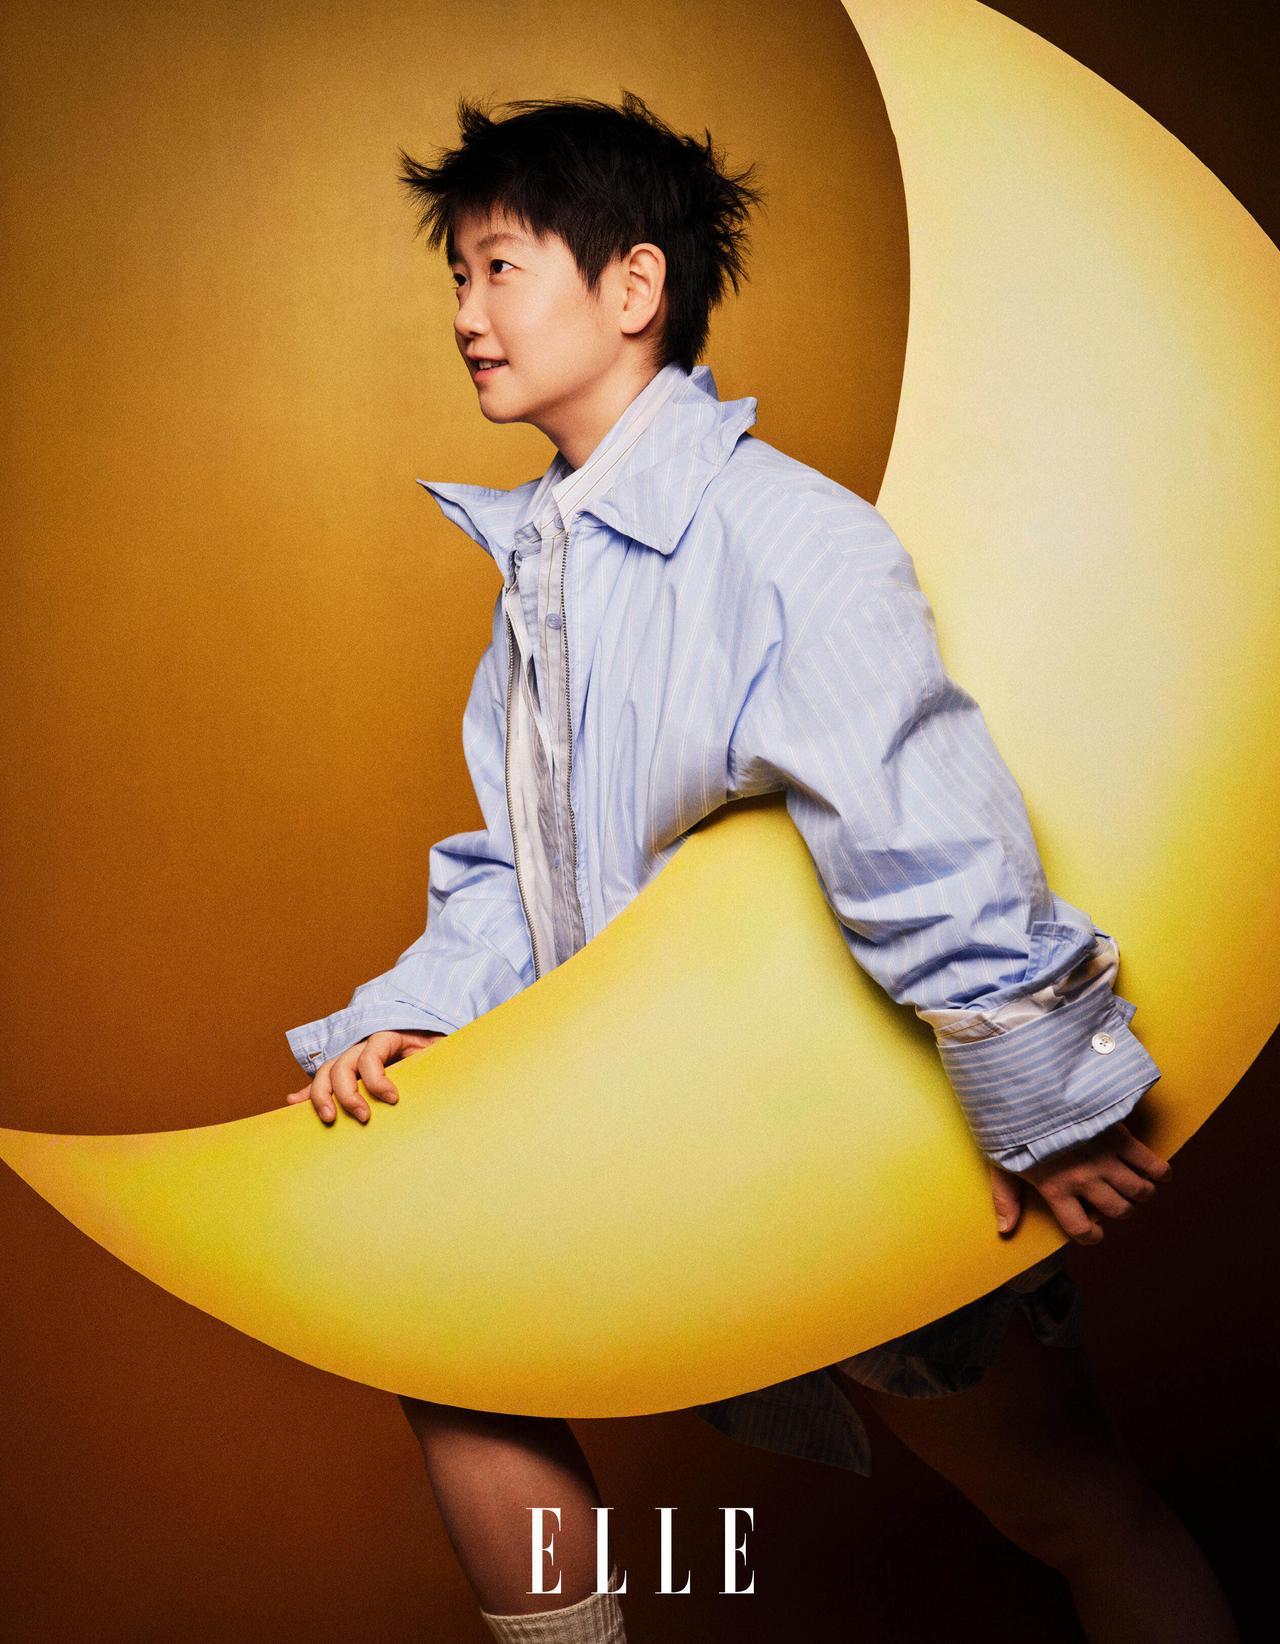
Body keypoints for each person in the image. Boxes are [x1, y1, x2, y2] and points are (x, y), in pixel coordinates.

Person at [283, 93, 1238, 1643]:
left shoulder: (787, 537)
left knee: (1074, 1510)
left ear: (634, 287)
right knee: (424, 1310)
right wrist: (417, 1018)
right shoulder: (545, 567)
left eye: (499, 268)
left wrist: (1047, 1103)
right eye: (455, 277)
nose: (464, 315)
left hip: (835, 1134)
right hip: (654, 1136)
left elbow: (919, 814)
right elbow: (519, 861)